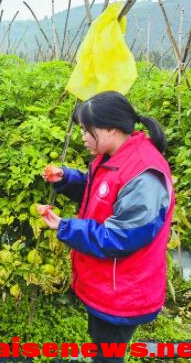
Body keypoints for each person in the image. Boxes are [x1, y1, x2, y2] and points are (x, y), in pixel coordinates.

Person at [39, 91, 174, 363]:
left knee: (109, 355)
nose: (83, 137)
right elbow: (100, 192)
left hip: (124, 291)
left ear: (111, 128)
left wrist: (65, 227)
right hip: (108, 284)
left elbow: (119, 237)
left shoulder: (144, 176)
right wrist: (67, 180)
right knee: (102, 345)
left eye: (87, 131)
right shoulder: (115, 156)